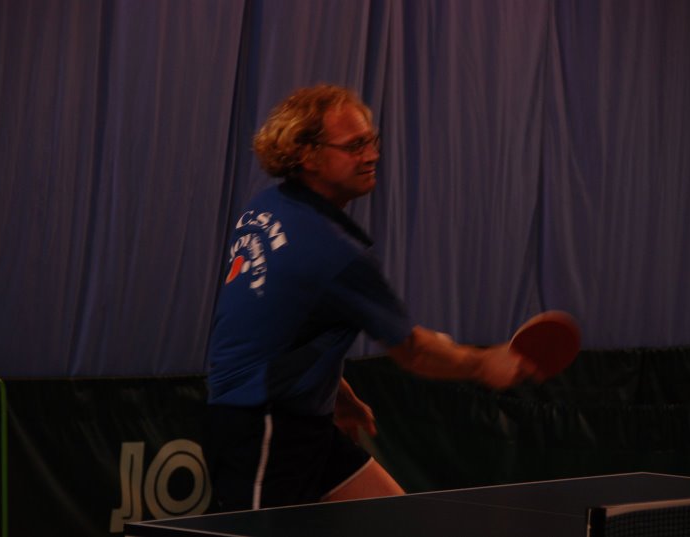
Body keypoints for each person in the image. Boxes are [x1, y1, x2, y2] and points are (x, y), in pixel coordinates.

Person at [203, 84, 536, 512]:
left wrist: (340, 397)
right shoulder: (332, 251)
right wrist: (484, 364)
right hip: (262, 429)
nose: (372, 155)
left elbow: (286, 327)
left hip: (301, 421)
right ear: (307, 154)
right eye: (354, 146)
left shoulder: (266, 208)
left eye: (371, 140)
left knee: (392, 518)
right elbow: (414, 351)